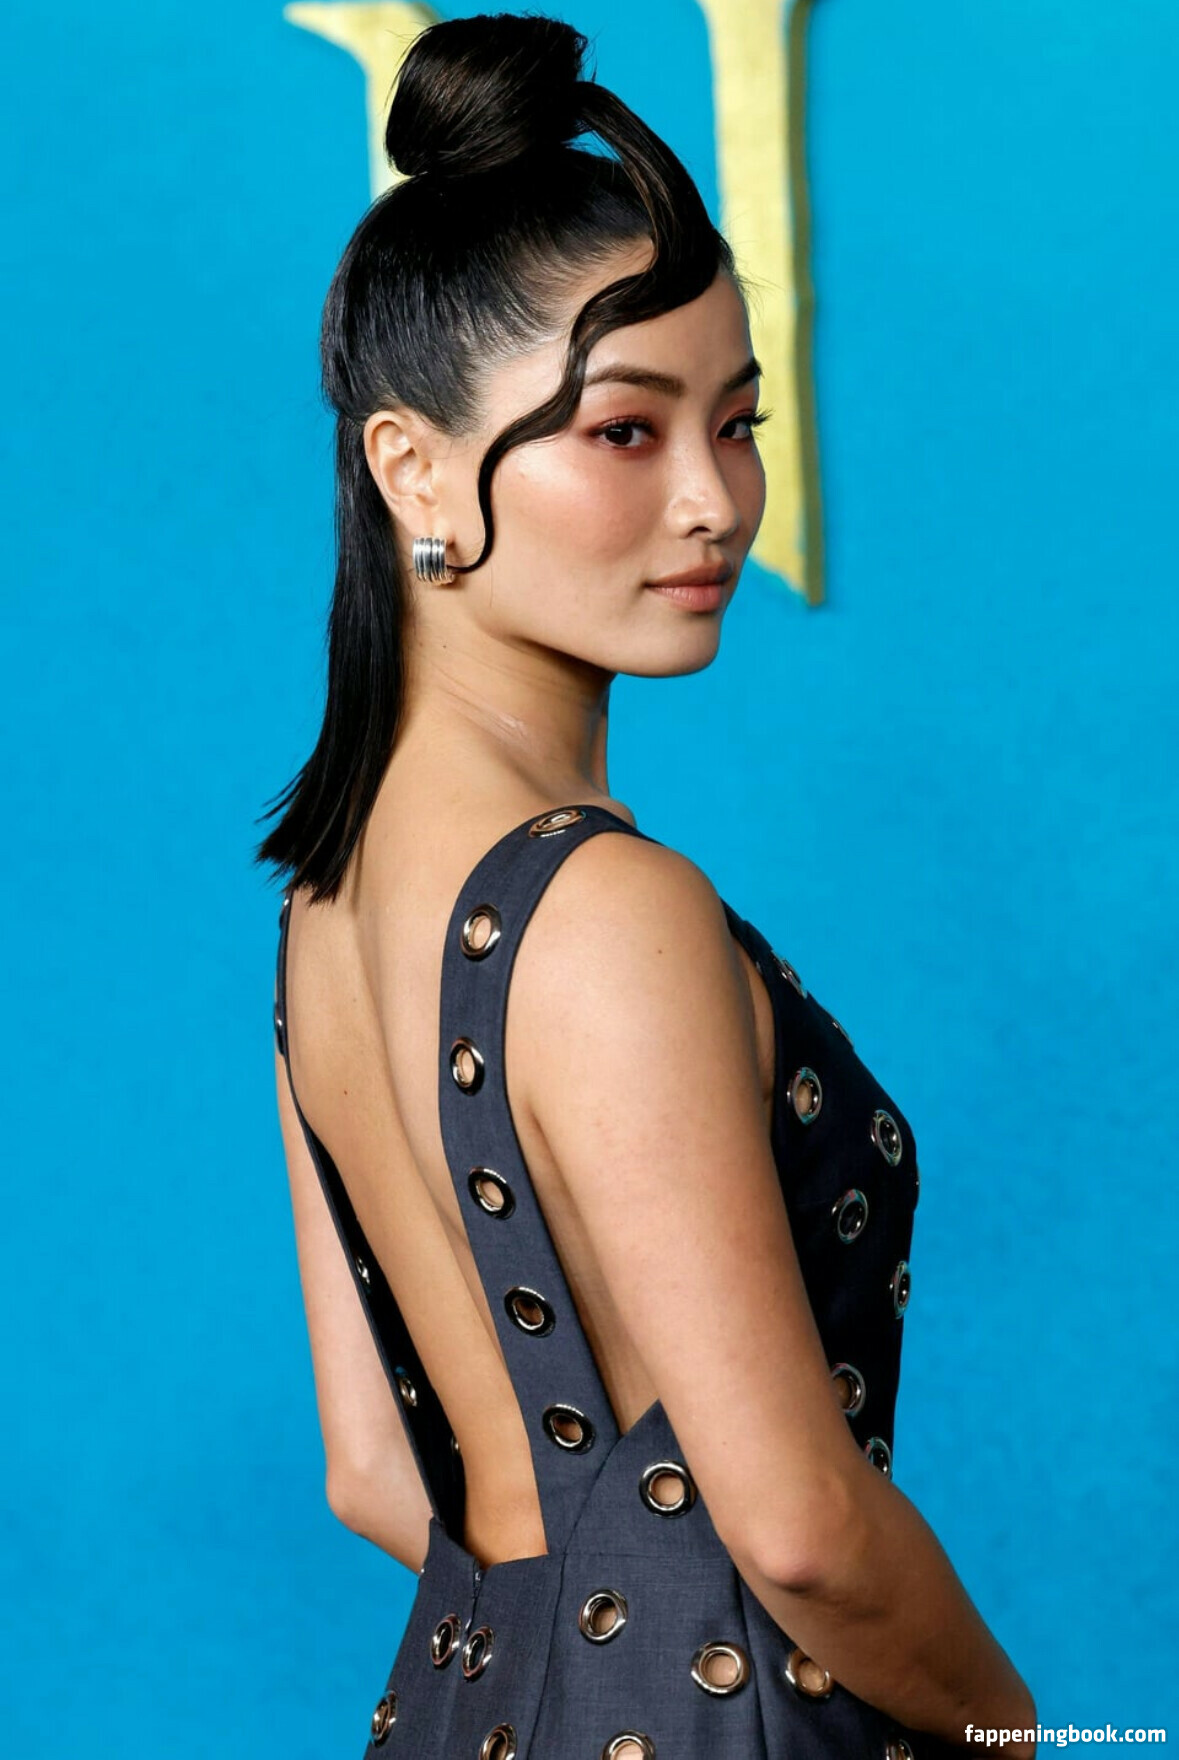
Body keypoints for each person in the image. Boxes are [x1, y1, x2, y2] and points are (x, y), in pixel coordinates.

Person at [256, 13, 1037, 1758]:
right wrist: (1014, 1733)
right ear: (412, 468)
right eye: (625, 432)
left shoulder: (319, 910)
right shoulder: (610, 913)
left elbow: (376, 1472)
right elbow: (801, 1530)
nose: (716, 501)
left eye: (738, 423)